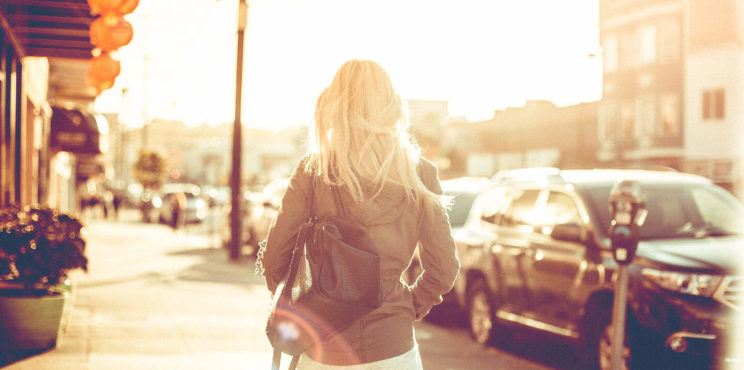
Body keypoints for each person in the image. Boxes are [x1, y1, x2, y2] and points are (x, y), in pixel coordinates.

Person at [257, 59, 459, 368]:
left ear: (338, 105)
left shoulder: (314, 171)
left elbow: (275, 260)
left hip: (325, 350)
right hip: (394, 351)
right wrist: (406, 308)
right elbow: (443, 269)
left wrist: (307, 308)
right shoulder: (421, 173)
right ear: (390, 106)